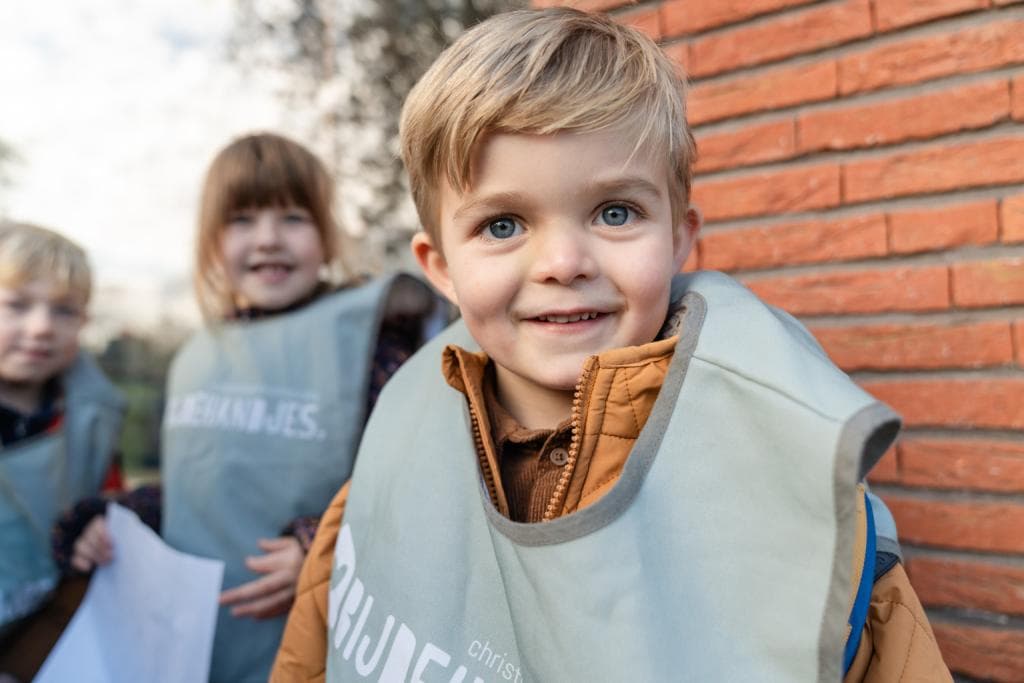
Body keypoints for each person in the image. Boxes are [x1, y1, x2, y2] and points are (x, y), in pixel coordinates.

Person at [273, 9, 952, 683]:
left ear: (680, 237)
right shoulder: (395, 458)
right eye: (503, 223)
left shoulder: (801, 515)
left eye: (615, 212)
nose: (564, 262)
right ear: (442, 266)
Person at [64, 133, 441, 682]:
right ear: (212, 242)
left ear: (327, 235)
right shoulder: (198, 353)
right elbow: (201, 492)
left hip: (315, 642)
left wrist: (318, 549)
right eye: (241, 220)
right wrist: (109, 522)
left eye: (293, 217)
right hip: (192, 646)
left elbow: (413, 487)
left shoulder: (372, 344)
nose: (268, 240)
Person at [0, 222, 124, 682]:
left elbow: (107, 507)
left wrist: (97, 528)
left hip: (40, 637)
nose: (40, 328)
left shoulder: (95, 420)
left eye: (63, 312)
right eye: (16, 306)